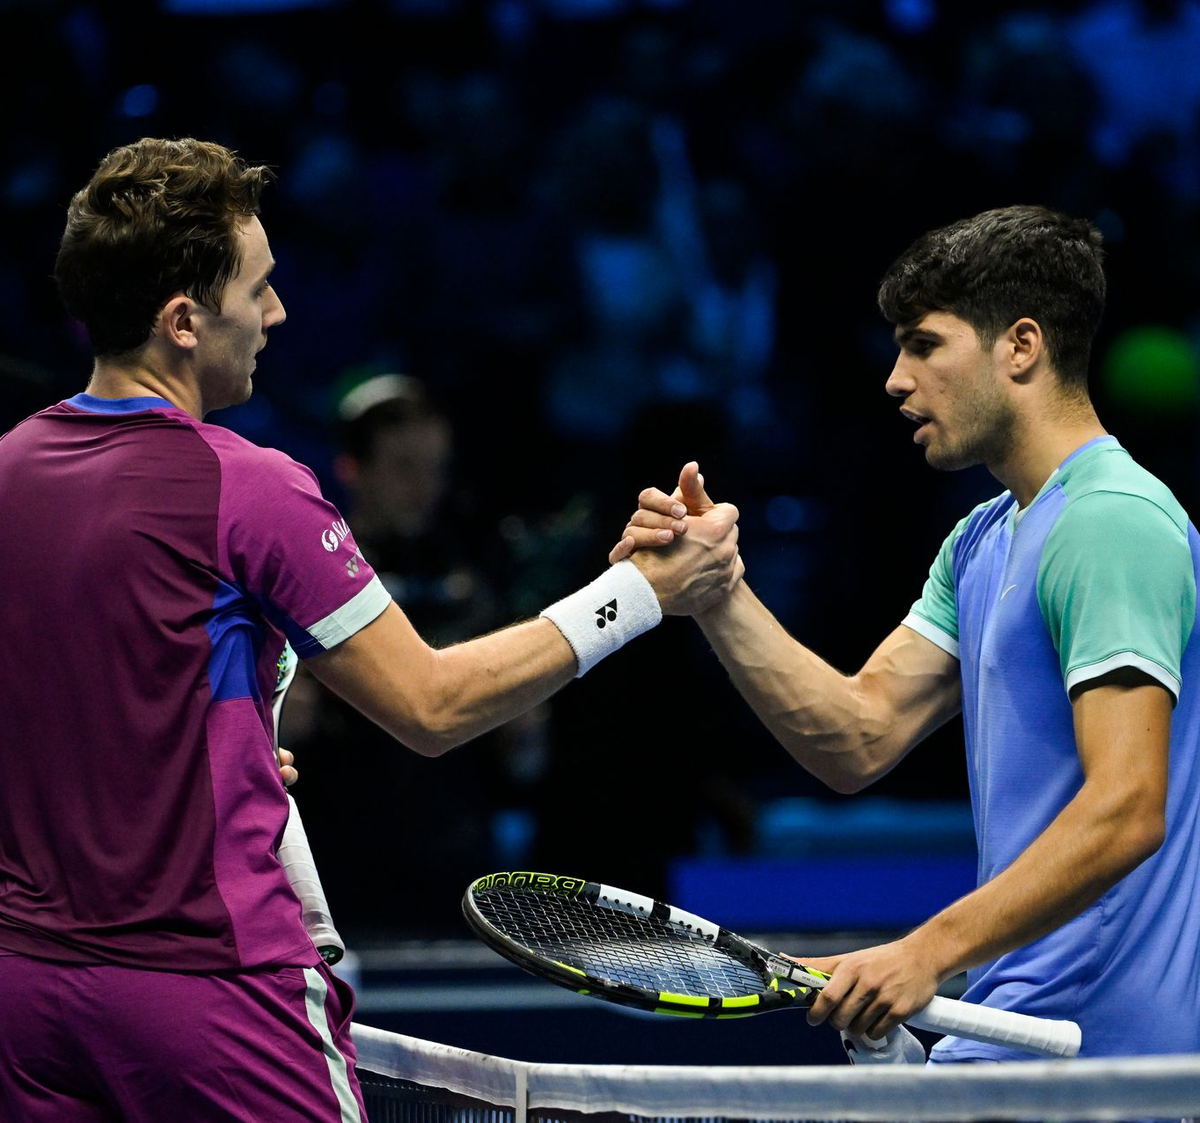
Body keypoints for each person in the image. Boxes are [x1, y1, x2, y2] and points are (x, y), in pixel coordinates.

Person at [0, 136, 743, 1122]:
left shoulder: (11, 468)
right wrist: (642, 593)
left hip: (25, 998)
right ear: (183, 322)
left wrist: (220, 754)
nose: (277, 315)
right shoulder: (248, 485)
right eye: (256, 291)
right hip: (207, 989)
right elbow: (432, 705)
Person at [614, 205, 1200, 1062]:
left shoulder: (1112, 519)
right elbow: (857, 733)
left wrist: (924, 951)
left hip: (1104, 1069)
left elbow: (1128, 807)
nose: (895, 379)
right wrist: (716, 590)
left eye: (924, 344)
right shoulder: (982, 539)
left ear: (1021, 346)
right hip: (1012, 1043)